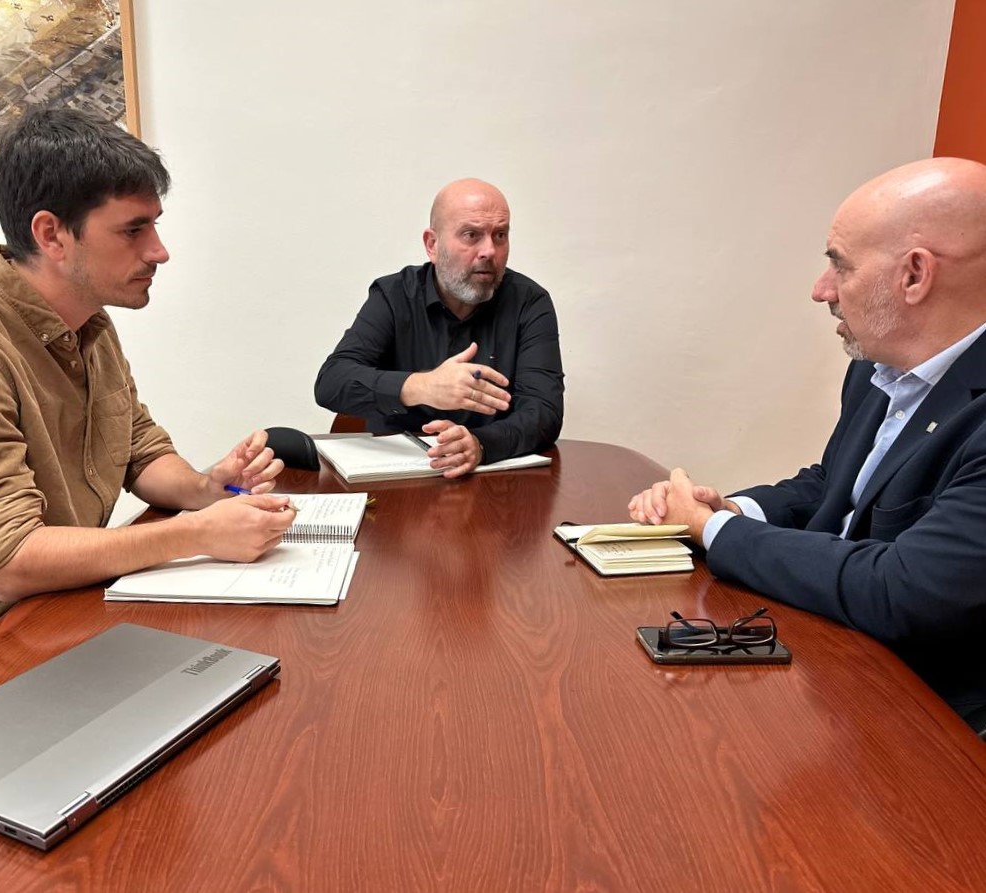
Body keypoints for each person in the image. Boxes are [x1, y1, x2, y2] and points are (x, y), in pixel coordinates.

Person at [0, 109, 296, 688]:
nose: (159, 251)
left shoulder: (88, 323)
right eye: (134, 230)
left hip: (67, 615)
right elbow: (5, 560)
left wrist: (203, 489)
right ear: (51, 234)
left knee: (251, 682)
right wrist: (196, 534)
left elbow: (136, 447)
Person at [627, 157, 986, 724]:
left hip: (930, 723)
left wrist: (714, 531)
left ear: (914, 275)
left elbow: (903, 590)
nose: (821, 291)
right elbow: (834, 484)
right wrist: (728, 506)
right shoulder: (876, 367)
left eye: (839, 267)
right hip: (832, 661)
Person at [313, 178, 564, 478]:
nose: (489, 251)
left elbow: (545, 412)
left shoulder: (529, 302)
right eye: (471, 235)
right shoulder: (394, 296)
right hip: (396, 484)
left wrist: (480, 444)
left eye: (500, 235)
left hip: (494, 482)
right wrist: (423, 387)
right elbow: (331, 382)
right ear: (432, 244)